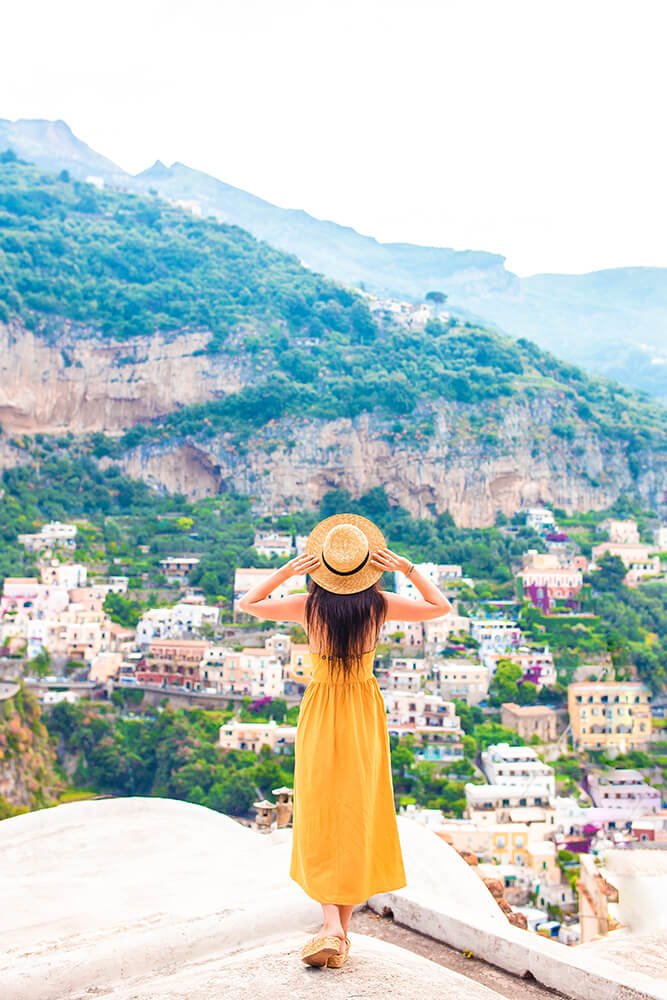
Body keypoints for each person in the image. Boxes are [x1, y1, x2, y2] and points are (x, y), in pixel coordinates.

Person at [237, 512, 452, 968]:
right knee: (358, 809)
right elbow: (440, 607)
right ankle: (341, 935)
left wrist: (287, 572)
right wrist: (407, 569)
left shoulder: (306, 606)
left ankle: (331, 927)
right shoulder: (379, 605)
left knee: (319, 808)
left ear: (322, 568)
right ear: (365, 567)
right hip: (362, 713)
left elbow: (248, 604)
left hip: (321, 710)